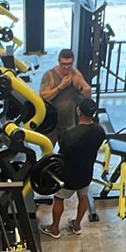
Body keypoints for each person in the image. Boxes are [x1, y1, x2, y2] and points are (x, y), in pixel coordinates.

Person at [41, 98, 106, 239]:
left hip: (69, 175)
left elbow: (62, 156)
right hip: (86, 172)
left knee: (58, 199)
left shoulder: (70, 135)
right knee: (83, 197)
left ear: (78, 111)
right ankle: (77, 225)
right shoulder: (100, 131)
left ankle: (54, 229)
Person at [39, 49, 91, 143]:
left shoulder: (75, 74)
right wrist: (60, 87)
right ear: (59, 61)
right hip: (52, 123)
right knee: (48, 148)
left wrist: (79, 87)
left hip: (68, 124)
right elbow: (43, 97)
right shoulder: (49, 75)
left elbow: (88, 94)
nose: (66, 67)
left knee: (68, 149)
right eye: (64, 64)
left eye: (69, 64)